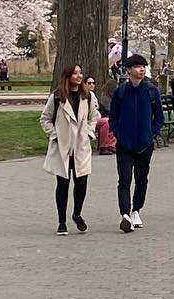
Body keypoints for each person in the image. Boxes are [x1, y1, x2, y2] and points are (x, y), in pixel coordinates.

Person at [41, 64, 99, 235]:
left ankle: (77, 213)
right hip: (63, 146)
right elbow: (45, 119)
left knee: (81, 182)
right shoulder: (58, 97)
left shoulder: (87, 96)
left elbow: (93, 117)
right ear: (68, 76)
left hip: (80, 146)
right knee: (63, 184)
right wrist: (55, 135)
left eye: (80, 72)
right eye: (75, 73)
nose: (79, 76)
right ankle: (61, 221)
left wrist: (89, 133)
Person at [110, 54, 164, 233]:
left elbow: (159, 116)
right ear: (128, 70)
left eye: (144, 66)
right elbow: (113, 118)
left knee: (141, 179)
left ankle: (136, 210)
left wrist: (152, 133)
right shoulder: (120, 92)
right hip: (125, 144)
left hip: (144, 143)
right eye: (138, 66)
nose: (141, 69)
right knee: (124, 179)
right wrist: (119, 134)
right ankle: (124, 213)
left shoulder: (151, 90)